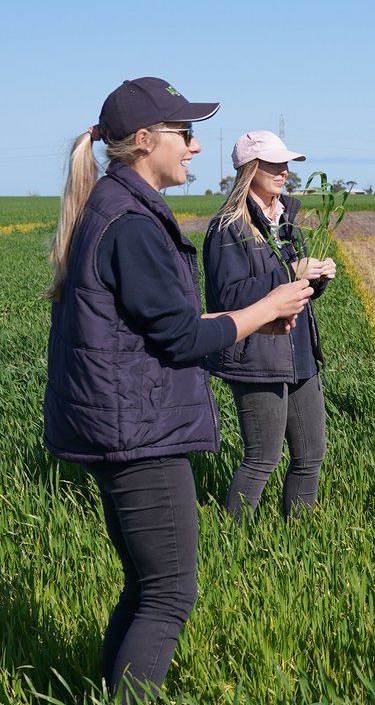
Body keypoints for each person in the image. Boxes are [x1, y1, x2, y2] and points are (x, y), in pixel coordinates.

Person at [43, 78, 313, 701]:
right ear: (145, 141)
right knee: (169, 594)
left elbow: (164, 326)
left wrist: (261, 315)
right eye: (185, 134)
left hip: (122, 423)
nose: (194, 146)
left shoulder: (115, 205)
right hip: (139, 431)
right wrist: (264, 307)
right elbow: (182, 337)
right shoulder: (130, 221)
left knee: (145, 585)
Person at [204, 131, 336, 520]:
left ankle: (299, 541)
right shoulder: (227, 228)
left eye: (286, 164)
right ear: (250, 168)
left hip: (298, 351)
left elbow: (294, 291)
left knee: (311, 454)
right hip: (255, 354)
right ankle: (233, 543)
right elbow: (230, 298)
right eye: (275, 164)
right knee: (263, 458)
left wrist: (315, 279)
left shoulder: (288, 221)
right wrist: (290, 270)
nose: (284, 172)